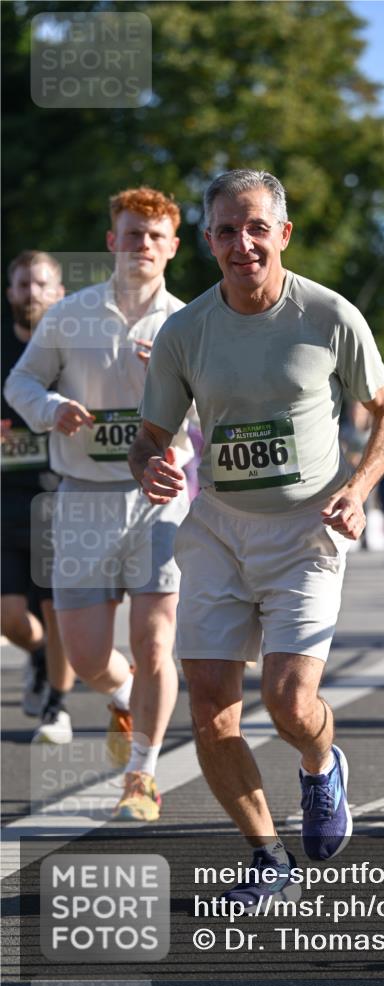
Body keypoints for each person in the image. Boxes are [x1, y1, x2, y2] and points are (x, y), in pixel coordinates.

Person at [129, 169, 384, 909]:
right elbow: (150, 433)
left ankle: (320, 765)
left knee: (287, 701)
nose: (241, 243)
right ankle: (264, 853)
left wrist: (359, 487)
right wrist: (151, 463)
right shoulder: (184, 332)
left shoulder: (329, 315)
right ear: (209, 241)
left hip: (306, 530)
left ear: (282, 233)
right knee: (210, 705)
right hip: (217, 529)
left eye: (256, 227)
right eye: (226, 229)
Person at [4, 188, 192, 820]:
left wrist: (171, 398)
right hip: (81, 497)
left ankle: (141, 771)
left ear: (172, 247)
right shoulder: (69, 314)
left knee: (155, 641)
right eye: (131, 234)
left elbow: (215, 414)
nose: (142, 245)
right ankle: (126, 696)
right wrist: (53, 408)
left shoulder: (187, 322)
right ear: (112, 241)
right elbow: (21, 381)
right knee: (85, 656)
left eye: (155, 236)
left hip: (156, 496)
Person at [1, 250, 76, 743]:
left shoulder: (75, 352)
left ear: (59, 293)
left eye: (41, 284)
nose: (32, 293)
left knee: (57, 612)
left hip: (58, 500)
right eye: (23, 285)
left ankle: (57, 707)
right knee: (10, 617)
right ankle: (39, 656)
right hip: (5, 502)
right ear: (11, 293)